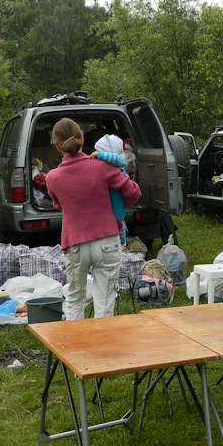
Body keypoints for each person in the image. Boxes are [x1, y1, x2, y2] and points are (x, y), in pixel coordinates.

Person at [45, 118, 141, 320]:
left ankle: (74, 349)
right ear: (82, 138)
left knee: (74, 297)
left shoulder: (52, 177)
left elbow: (58, 205)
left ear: (57, 147)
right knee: (104, 300)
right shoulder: (102, 166)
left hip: (74, 243)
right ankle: (101, 349)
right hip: (106, 240)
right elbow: (132, 192)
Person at [90, 133, 129, 246]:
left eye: (100, 151)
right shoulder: (108, 165)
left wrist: (99, 155)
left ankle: (121, 243)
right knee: (117, 222)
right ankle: (121, 243)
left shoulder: (117, 162)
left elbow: (116, 158)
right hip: (110, 198)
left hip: (117, 197)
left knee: (117, 221)